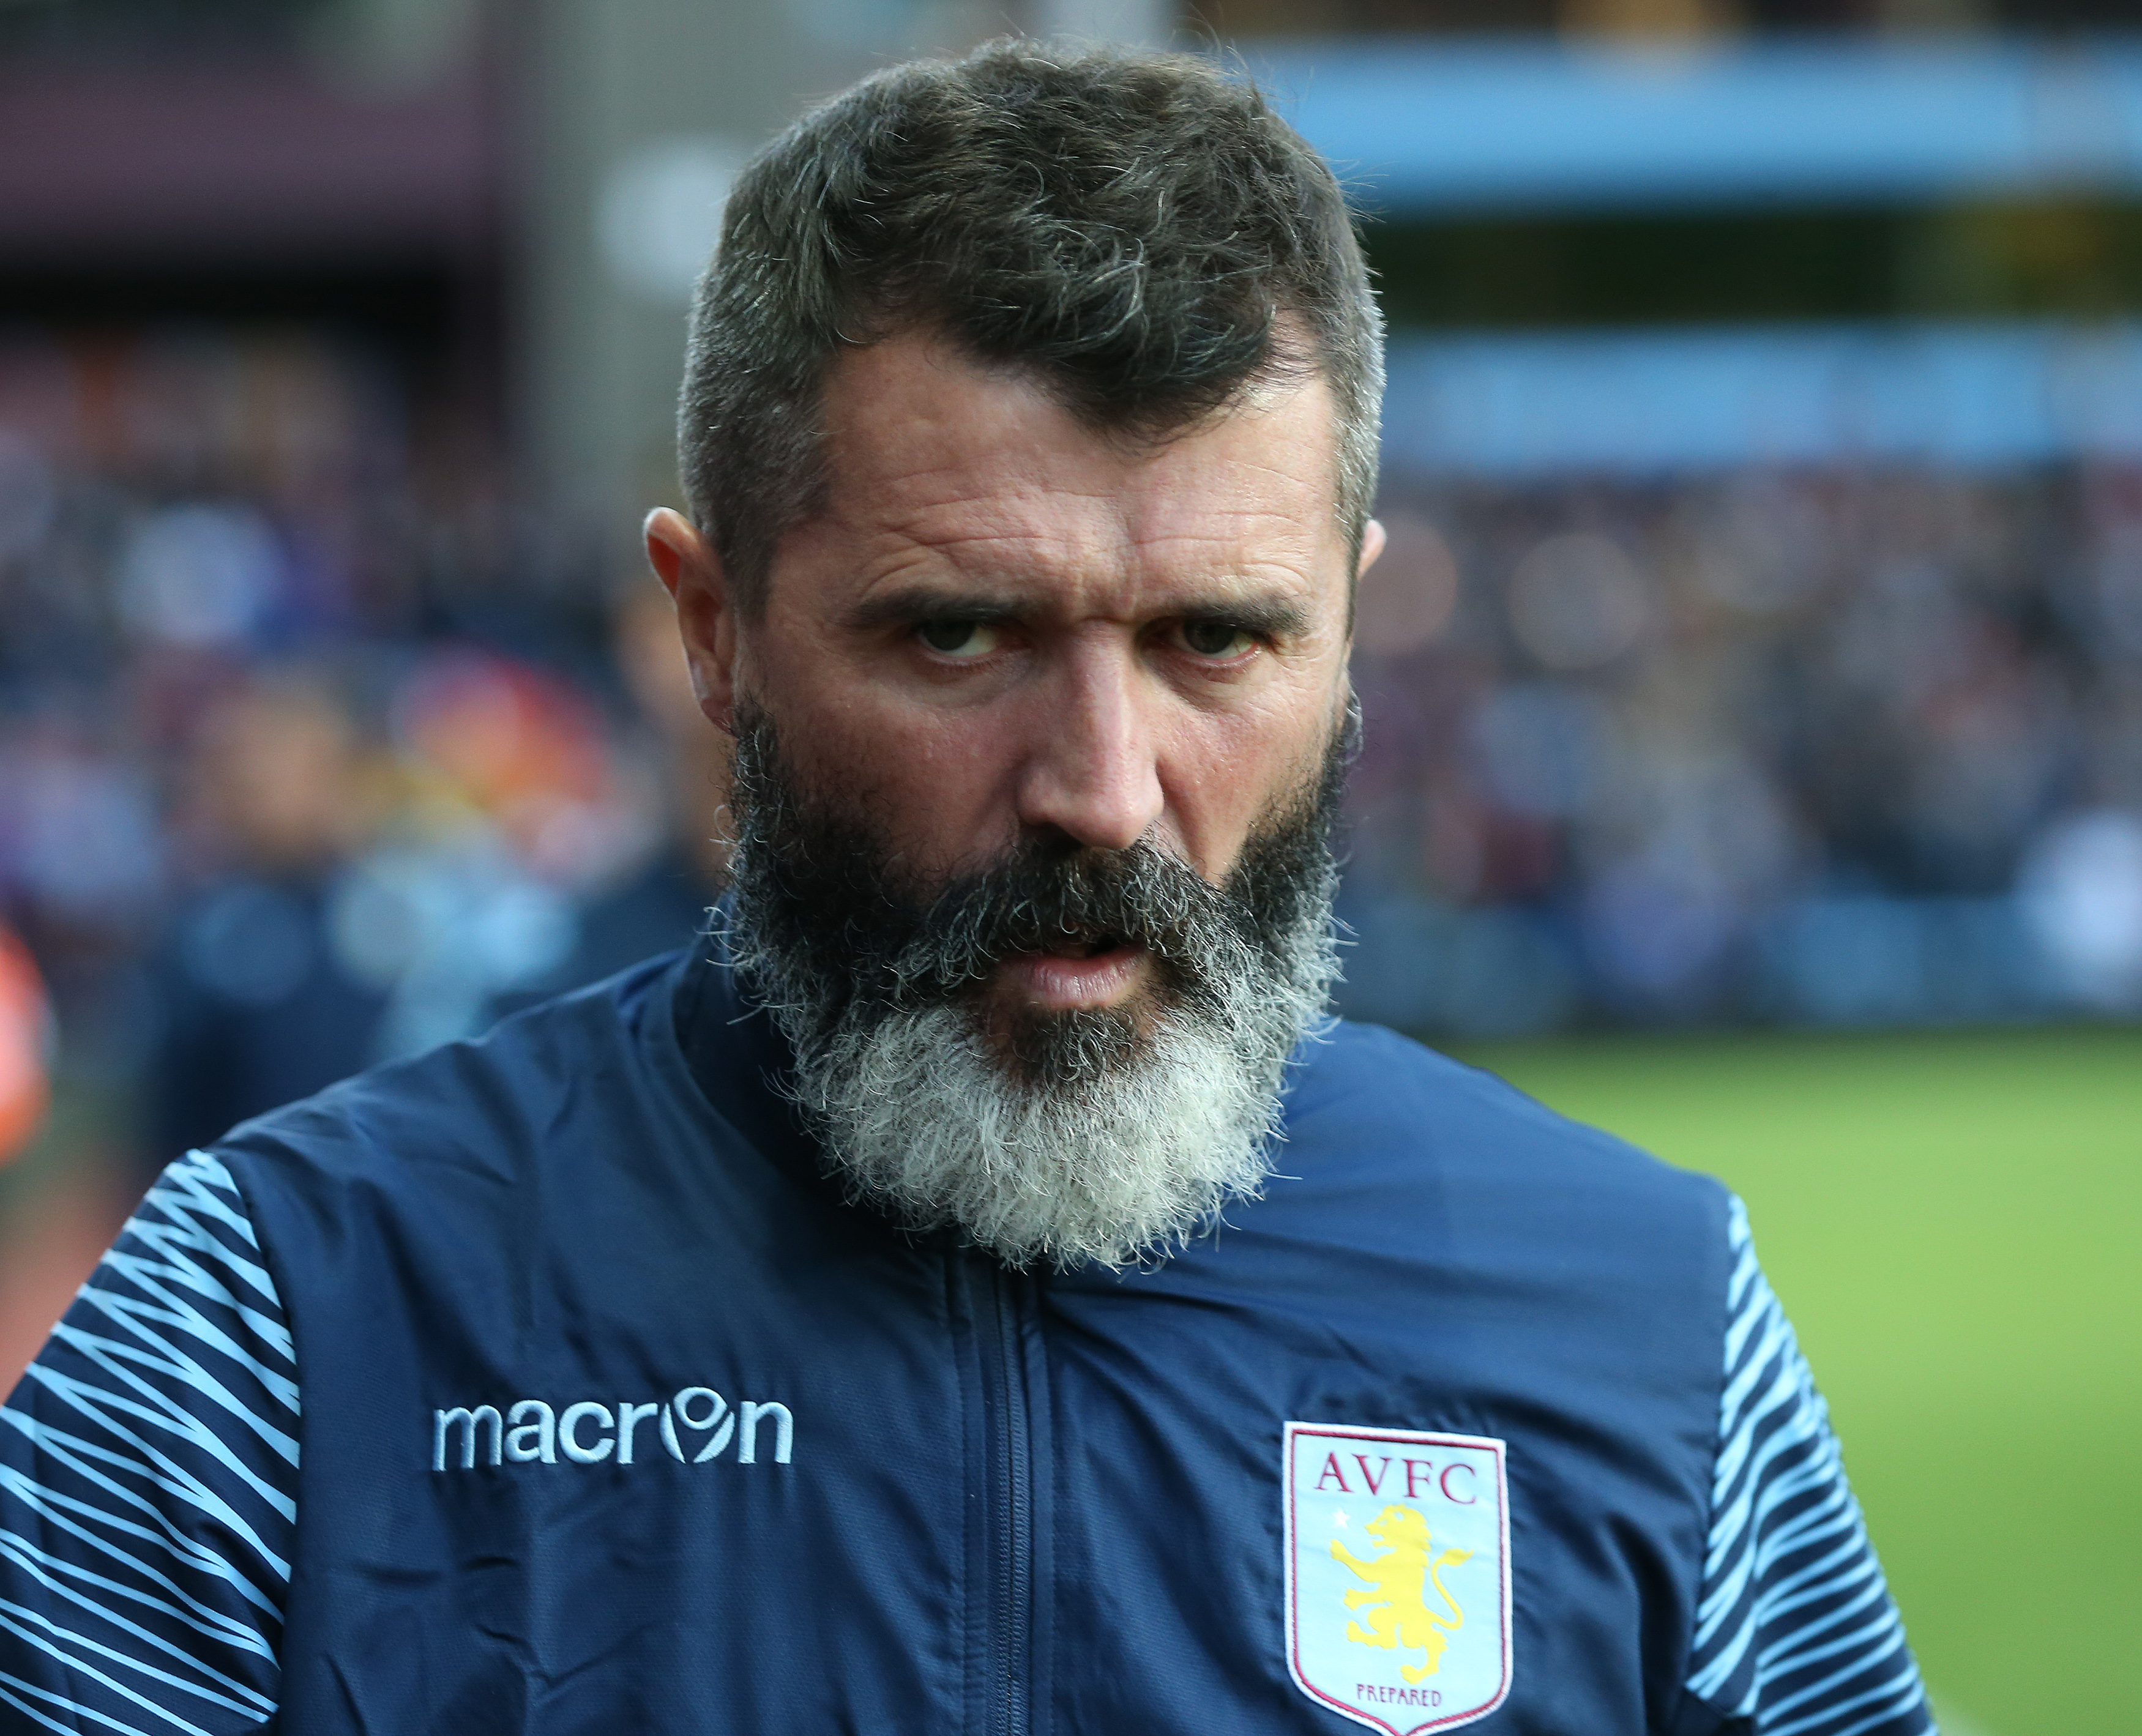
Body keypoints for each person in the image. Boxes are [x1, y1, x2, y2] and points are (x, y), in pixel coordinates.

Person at [0, 42, 1930, 1736]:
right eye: (957, 637)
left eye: (1214, 640)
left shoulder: (1649, 1325)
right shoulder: (280, 1318)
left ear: (1350, 625)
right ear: (710, 635)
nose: (1101, 791)